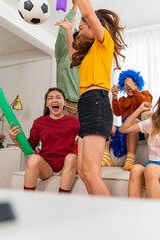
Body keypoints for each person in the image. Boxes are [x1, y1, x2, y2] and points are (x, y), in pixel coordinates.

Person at [56, 0, 127, 196]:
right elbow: (71, 54)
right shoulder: (87, 55)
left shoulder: (104, 43)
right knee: (84, 171)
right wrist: (69, 30)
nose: (80, 31)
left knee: (91, 173)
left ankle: (108, 221)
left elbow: (87, 11)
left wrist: (78, 5)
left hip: (97, 104)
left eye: (82, 27)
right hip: (86, 106)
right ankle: (97, 215)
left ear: (96, 24)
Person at [8, 88, 79, 193]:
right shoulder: (39, 122)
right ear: (46, 104)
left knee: (72, 157)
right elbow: (29, 148)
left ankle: (62, 199)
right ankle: (27, 200)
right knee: (33, 159)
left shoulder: (74, 121)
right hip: (47, 168)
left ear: (64, 102)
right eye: (50, 98)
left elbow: (86, 137)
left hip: (66, 167)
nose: (54, 100)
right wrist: (15, 140)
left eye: (58, 97)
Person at [106, 70, 152, 171]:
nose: (129, 87)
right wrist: (114, 97)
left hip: (138, 129)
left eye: (131, 83)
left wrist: (134, 89)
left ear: (137, 83)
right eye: (126, 85)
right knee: (105, 124)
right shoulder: (122, 100)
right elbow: (117, 112)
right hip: (123, 129)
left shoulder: (145, 94)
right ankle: (106, 157)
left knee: (131, 120)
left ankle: (130, 159)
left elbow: (145, 104)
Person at [54, 0, 80, 117]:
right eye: (78, 38)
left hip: (83, 106)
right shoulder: (63, 54)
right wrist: (75, 7)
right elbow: (63, 32)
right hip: (64, 105)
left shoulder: (86, 59)